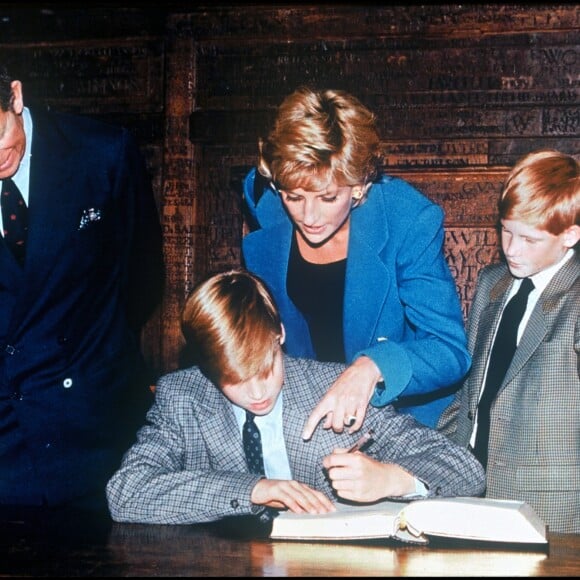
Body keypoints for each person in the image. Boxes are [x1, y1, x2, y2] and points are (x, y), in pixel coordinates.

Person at [106, 269, 485, 525]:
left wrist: (391, 479)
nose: (256, 392)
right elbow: (125, 492)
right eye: (233, 380)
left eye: (266, 369)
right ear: (207, 367)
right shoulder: (182, 397)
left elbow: (466, 470)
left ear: (280, 335)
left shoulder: (335, 388)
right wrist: (254, 489)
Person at [241, 86, 470, 437]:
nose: (309, 216)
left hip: (402, 421)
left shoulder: (406, 220)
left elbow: (449, 350)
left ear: (360, 184)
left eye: (329, 197)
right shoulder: (270, 205)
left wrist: (373, 367)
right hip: (306, 418)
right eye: (294, 197)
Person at [0, 64, 164, 511]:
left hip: (95, 428)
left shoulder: (102, 152)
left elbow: (143, 275)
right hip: (7, 441)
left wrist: (93, 358)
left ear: (15, 96)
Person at [438, 149, 579, 533]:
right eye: (506, 231)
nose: (512, 249)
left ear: (571, 234)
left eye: (529, 239)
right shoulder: (491, 284)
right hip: (473, 494)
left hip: (555, 510)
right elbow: (469, 396)